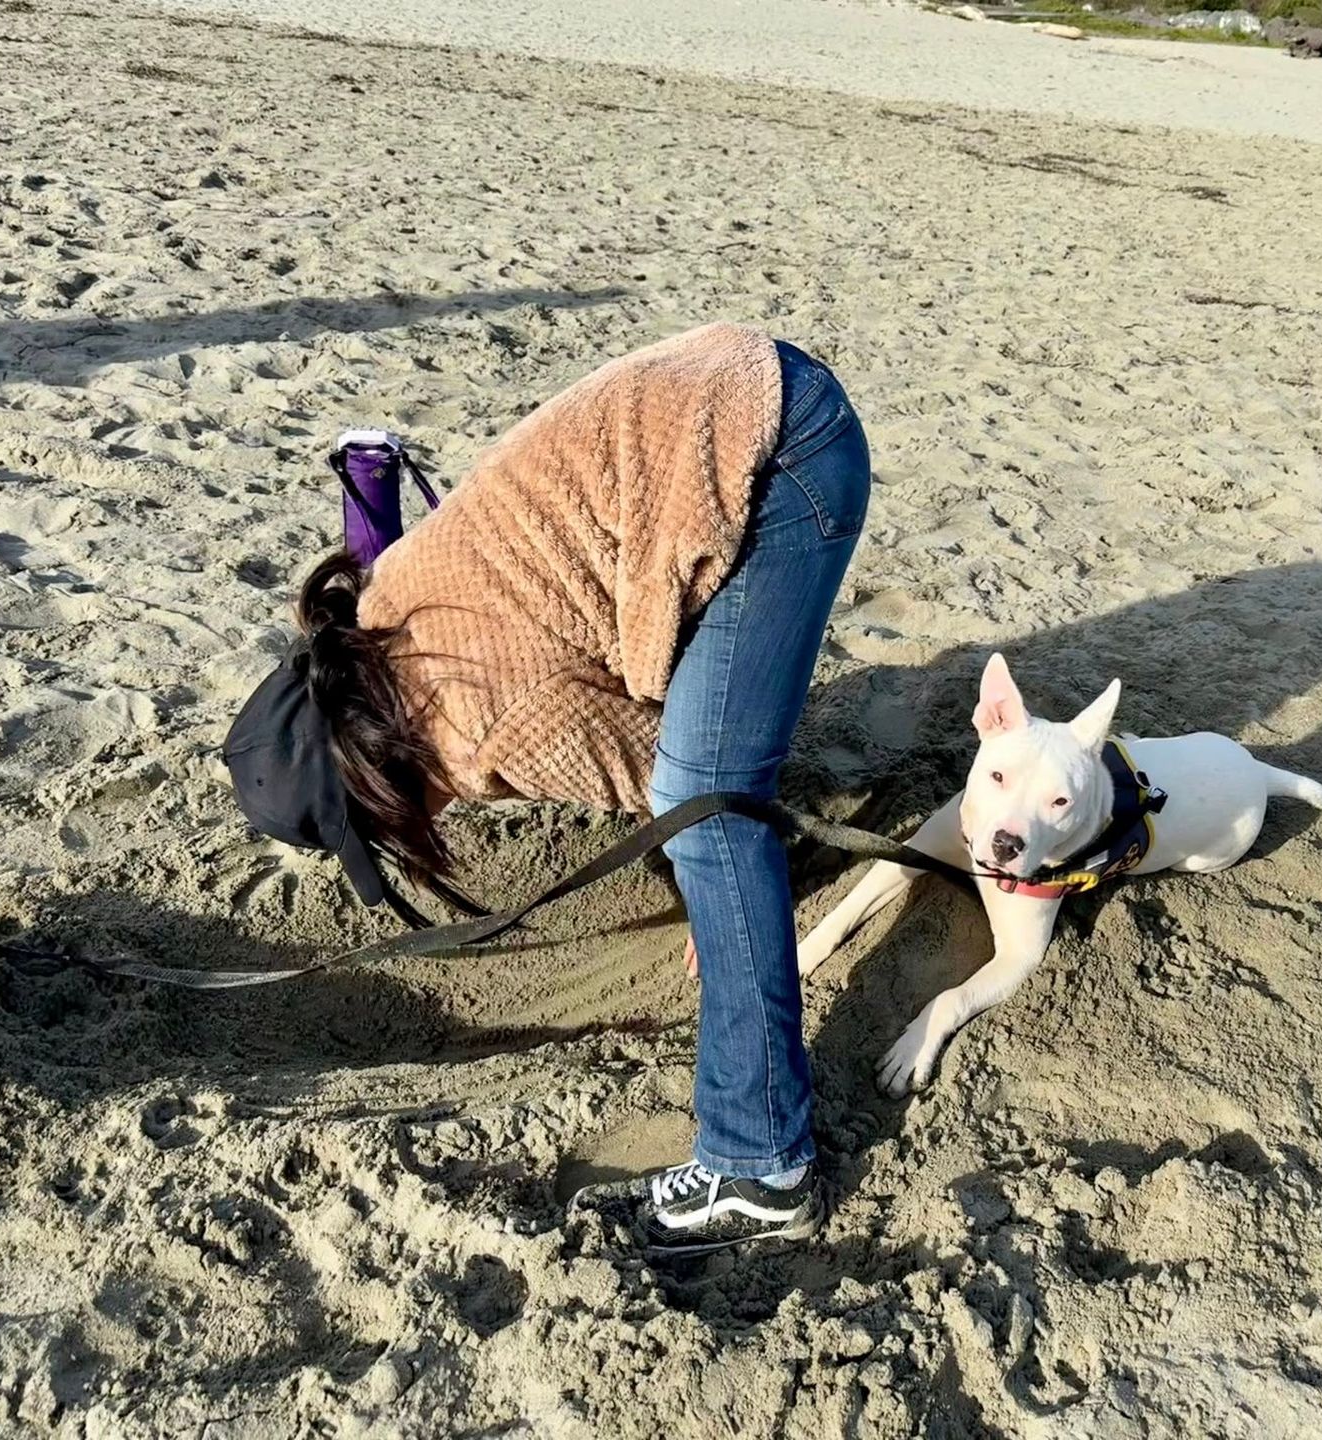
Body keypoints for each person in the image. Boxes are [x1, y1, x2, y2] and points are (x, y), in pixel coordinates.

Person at [222, 323, 870, 1256]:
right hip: (721, 374)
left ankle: (757, 1163)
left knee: (706, 802)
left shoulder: (486, 725)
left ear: (378, 786)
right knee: (706, 779)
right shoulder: (381, 605)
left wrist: (708, 892)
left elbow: (684, 798)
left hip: (782, 456)